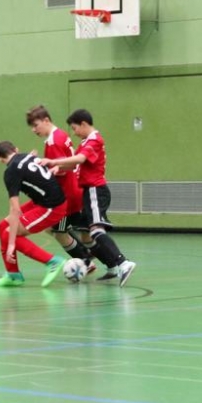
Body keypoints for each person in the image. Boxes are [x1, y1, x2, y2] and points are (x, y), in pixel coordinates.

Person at [38, 109, 136, 287]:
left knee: (96, 231)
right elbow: (74, 164)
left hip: (95, 190)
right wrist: (56, 168)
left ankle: (123, 263)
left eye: (75, 128)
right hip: (87, 192)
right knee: (87, 235)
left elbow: (80, 159)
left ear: (83, 124)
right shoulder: (85, 142)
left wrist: (54, 161)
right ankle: (112, 266)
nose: (74, 132)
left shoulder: (94, 140)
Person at [25, 105, 95, 274]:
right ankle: (88, 256)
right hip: (72, 191)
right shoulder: (60, 135)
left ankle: (86, 261)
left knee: (58, 231)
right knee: (55, 229)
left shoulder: (53, 142)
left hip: (67, 196)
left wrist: (36, 165)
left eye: (36, 125)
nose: (34, 130)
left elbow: (60, 169)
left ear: (46, 120)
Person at [0, 141, 69, 288]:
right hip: (43, 200)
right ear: (16, 149)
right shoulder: (26, 156)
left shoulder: (11, 172)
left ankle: (52, 262)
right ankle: (13, 275)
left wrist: (11, 244)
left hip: (52, 207)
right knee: (2, 226)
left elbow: (15, 210)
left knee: (8, 234)